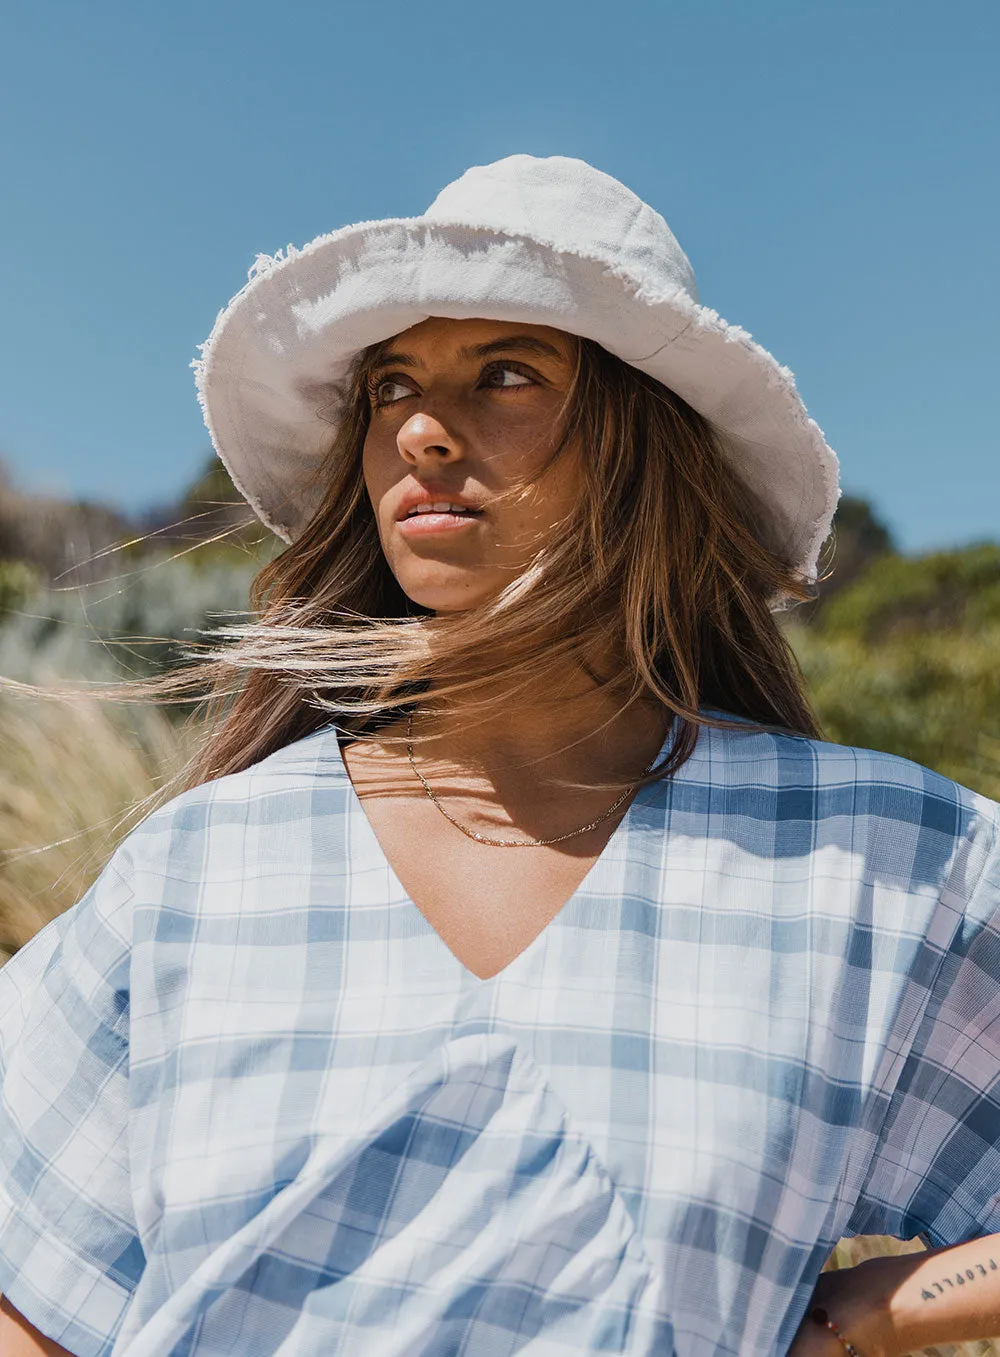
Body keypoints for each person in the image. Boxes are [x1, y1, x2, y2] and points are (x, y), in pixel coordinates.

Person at [0, 153, 998, 1357]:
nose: (422, 429)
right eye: (389, 388)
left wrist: (863, 1314)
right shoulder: (199, 871)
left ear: (647, 444)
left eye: (509, 375)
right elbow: (36, 1298)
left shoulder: (877, 868)